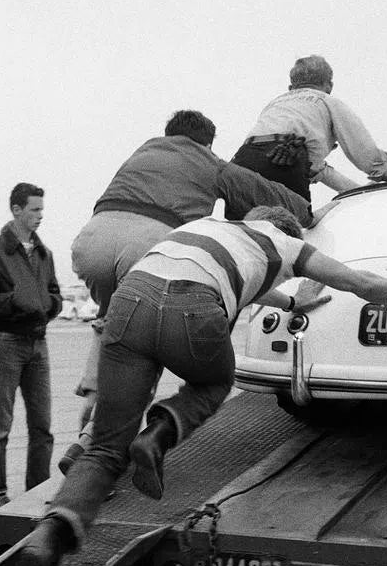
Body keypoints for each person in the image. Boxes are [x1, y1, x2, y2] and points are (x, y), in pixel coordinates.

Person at [14, 205, 387, 566]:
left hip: (130, 302)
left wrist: (291, 302)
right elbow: (359, 282)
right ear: (285, 231)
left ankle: (49, 536)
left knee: (105, 447)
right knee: (214, 383)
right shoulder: (287, 245)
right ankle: (158, 435)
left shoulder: (205, 228)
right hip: (191, 307)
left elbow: (247, 284)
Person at [64, 108, 313, 473]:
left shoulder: (143, 151)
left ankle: (90, 417)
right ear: (206, 141)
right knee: (144, 343)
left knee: (114, 325)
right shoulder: (208, 160)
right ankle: (96, 445)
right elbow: (260, 191)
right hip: (148, 242)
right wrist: (308, 212)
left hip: (93, 241)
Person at [0, 183, 62, 513]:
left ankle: (36, 489)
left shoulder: (44, 253)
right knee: (0, 424)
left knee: (43, 426)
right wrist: (14, 301)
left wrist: (50, 304)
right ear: (17, 210)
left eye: (41, 210)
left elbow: (55, 293)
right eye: (34, 210)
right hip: (6, 343)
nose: (40, 216)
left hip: (39, 344)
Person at [232, 55, 387, 201]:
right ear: (329, 86)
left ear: (291, 87)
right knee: (297, 227)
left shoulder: (275, 105)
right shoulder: (329, 102)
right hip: (287, 163)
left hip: (242, 162)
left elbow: (315, 168)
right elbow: (370, 160)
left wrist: (359, 193)